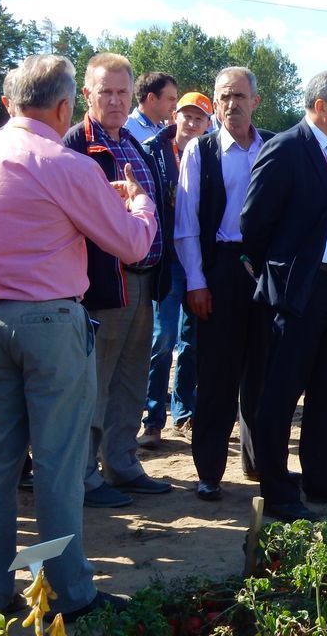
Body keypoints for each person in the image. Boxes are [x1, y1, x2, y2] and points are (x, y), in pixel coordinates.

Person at [0, 54, 157, 620]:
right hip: (48, 323)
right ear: (66, 107)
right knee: (59, 463)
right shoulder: (66, 163)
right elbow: (134, 245)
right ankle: (70, 591)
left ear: (10, 101)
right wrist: (140, 202)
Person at [240, 71, 327, 522]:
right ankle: (278, 488)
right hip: (299, 293)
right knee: (280, 393)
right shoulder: (286, 148)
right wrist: (282, 272)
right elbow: (253, 223)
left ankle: (320, 476)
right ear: (320, 105)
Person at [63, 53, 172, 508]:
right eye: (105, 91)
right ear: (86, 94)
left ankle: (122, 464)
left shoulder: (134, 141)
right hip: (103, 284)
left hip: (143, 282)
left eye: (122, 92)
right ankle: (86, 476)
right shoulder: (75, 144)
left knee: (131, 379)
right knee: (94, 384)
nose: (114, 100)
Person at [175, 67, 274, 502]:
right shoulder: (201, 151)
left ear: (256, 101)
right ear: (215, 104)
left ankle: (259, 462)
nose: (231, 104)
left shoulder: (273, 147)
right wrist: (196, 281)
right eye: (223, 97)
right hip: (220, 269)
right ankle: (209, 471)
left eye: (239, 96)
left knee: (264, 373)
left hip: (266, 270)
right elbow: (185, 224)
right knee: (217, 376)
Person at [138, 92, 213, 448]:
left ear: (208, 124)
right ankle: (152, 418)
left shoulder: (213, 155)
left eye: (200, 117)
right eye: (187, 115)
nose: (192, 122)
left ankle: (184, 412)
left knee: (192, 341)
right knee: (162, 338)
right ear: (175, 116)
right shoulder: (153, 150)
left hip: (197, 257)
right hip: (167, 258)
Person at [124, 71, 179, 144]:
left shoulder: (165, 130)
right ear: (152, 98)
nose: (175, 105)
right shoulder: (125, 129)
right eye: (171, 99)